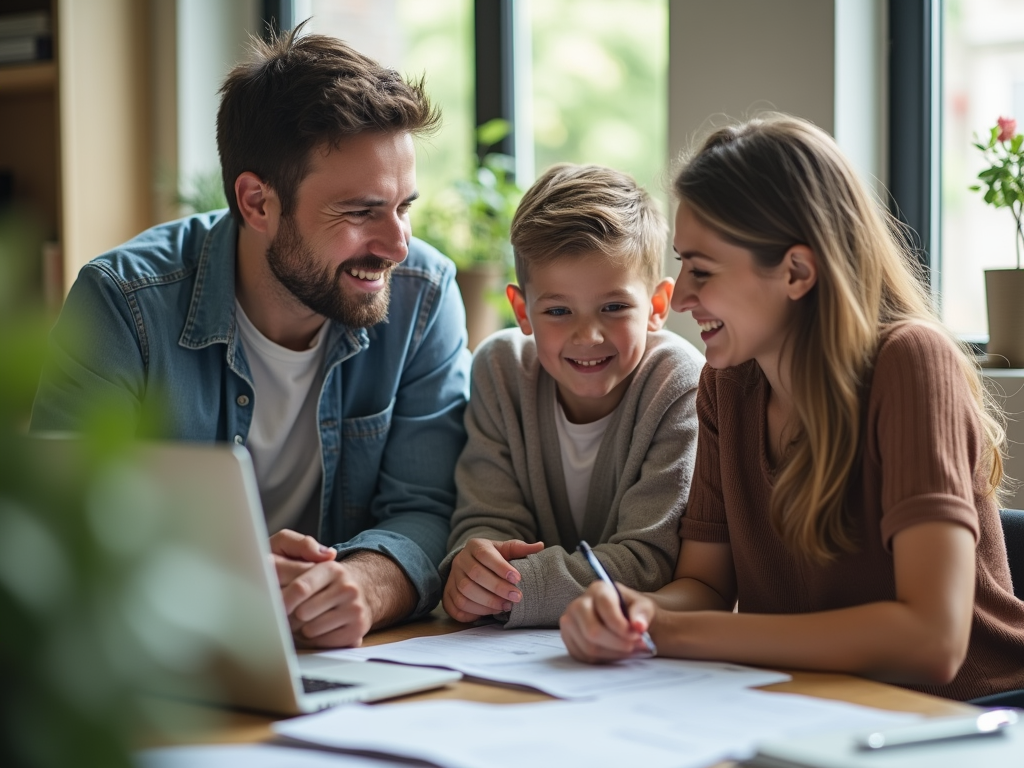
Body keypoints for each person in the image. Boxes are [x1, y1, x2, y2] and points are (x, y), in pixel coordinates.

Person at [29, 28, 471, 649]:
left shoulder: (424, 297)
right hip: (161, 661)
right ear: (256, 202)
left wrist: (365, 587)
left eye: (403, 207)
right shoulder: (122, 304)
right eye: (360, 211)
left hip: (347, 667)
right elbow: (58, 531)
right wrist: (220, 581)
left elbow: (427, 508)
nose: (397, 245)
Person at [559, 114, 1024, 701]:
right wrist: (635, 613)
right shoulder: (727, 385)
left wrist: (679, 632)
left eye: (701, 269)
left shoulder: (911, 361)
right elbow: (704, 582)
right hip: (816, 709)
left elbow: (931, 640)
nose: (684, 297)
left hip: (965, 719)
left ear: (796, 272)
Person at [440, 163, 704, 628]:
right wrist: (474, 566)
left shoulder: (678, 383)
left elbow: (648, 562)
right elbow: (485, 520)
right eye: (558, 310)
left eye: (614, 307)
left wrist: (509, 589)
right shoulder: (500, 370)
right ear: (522, 311)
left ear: (657, 306)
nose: (588, 335)